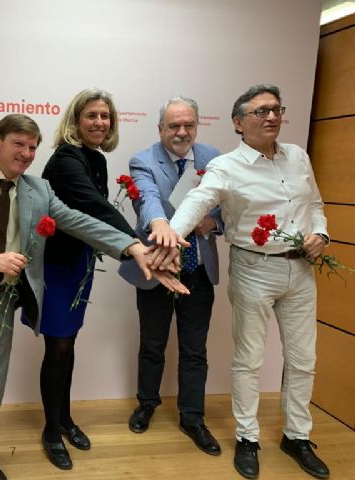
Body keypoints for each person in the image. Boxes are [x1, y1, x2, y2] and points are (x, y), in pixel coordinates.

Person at [0, 114, 188, 480]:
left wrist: (132, 247)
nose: (25, 153)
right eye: (18, 144)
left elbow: (80, 221)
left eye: (32, 147)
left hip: (1, 304)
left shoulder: (39, 191)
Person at [167, 85, 330, 479]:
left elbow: (316, 205)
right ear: (239, 123)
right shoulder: (227, 166)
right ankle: (248, 438)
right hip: (254, 269)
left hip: (301, 271)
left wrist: (321, 235)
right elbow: (197, 201)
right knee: (249, 360)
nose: (271, 117)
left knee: (303, 360)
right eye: (260, 112)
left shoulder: (298, 156)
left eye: (276, 109)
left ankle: (297, 436)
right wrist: (171, 237)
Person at [20, 88, 140, 470]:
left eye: (105, 116)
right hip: (55, 268)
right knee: (57, 349)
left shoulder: (96, 158)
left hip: (78, 265)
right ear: (75, 121)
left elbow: (94, 216)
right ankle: (52, 432)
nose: (100, 123)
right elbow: (95, 206)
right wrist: (137, 243)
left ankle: (65, 419)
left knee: (67, 345)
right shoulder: (67, 159)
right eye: (91, 116)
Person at [118, 96, 223, 456]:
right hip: (157, 266)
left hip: (198, 268)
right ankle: (147, 403)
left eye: (188, 125)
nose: (182, 132)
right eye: (174, 126)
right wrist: (162, 224)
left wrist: (213, 222)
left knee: (195, 350)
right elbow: (146, 200)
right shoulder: (143, 161)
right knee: (152, 344)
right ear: (160, 128)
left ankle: (193, 417)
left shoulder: (214, 158)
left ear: (197, 125)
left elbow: (228, 209)